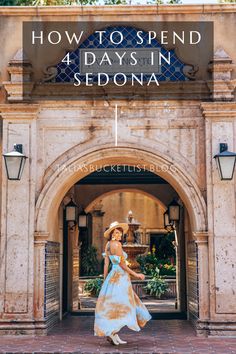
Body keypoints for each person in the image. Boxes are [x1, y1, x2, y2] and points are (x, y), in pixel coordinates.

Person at [94, 221, 152, 346]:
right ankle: (112, 332)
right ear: (112, 234)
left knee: (114, 304)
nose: (119, 234)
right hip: (120, 277)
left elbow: (106, 264)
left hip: (112, 276)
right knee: (124, 305)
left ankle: (114, 334)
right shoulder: (118, 245)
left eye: (120, 232)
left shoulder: (108, 245)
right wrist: (136, 274)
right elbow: (122, 264)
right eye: (116, 232)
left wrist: (105, 280)